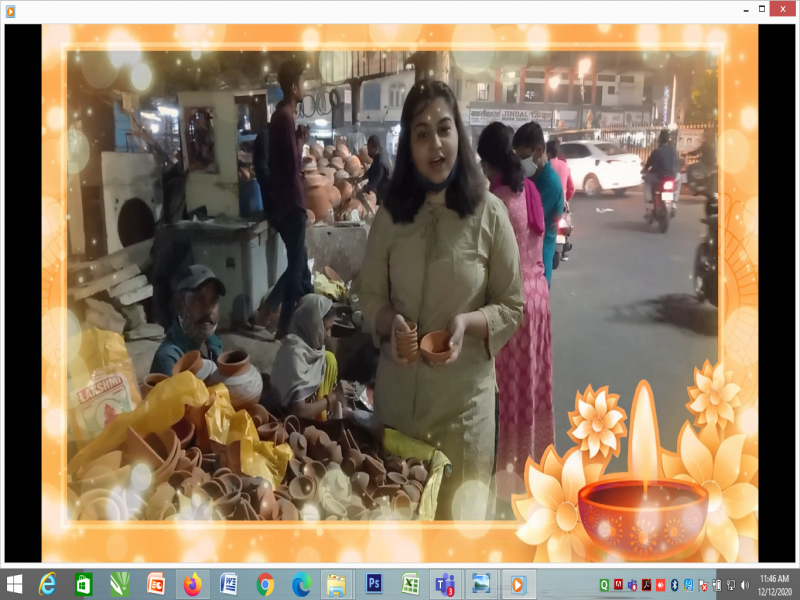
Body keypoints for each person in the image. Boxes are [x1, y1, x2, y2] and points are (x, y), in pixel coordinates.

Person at [353, 80, 524, 520]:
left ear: (459, 135)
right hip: (399, 411)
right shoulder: (390, 217)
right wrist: (388, 321)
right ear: (408, 146)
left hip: (463, 414)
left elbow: (511, 305)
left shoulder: (489, 214)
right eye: (422, 133)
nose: (435, 144)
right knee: (401, 529)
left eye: (444, 129)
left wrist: (468, 323)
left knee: (457, 535)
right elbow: (368, 293)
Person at [477, 123, 554, 501]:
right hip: (539, 300)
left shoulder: (496, 202)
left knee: (508, 393)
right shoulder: (530, 191)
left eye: (483, 161)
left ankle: (508, 480)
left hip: (514, 306)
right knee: (533, 388)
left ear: (490, 161)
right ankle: (534, 468)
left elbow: (486, 265)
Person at [261, 59, 314, 339]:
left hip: (288, 201)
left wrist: (298, 139)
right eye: (303, 82)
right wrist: (301, 142)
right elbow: (292, 166)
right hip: (291, 203)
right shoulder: (283, 117)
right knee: (296, 266)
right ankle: (283, 326)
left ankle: (285, 310)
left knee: (300, 262)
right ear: (294, 87)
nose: (305, 87)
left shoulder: (283, 118)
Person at [270, 294, 344, 421]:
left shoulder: (315, 350)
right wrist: (333, 397)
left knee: (329, 359)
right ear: (313, 324)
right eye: (326, 329)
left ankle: (323, 418)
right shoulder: (294, 354)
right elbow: (299, 411)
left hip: (310, 415)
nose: (328, 335)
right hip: (290, 421)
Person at [513, 122, 565, 286]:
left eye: (523, 157)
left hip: (538, 269)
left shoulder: (550, 183)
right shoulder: (532, 177)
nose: (521, 163)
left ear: (539, 151)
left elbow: (525, 218)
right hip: (526, 265)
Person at [150, 265, 225, 375]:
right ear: (178, 305)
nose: (209, 310)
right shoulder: (169, 358)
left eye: (213, 301)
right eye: (199, 300)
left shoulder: (213, 342)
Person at [642, 129, 680, 204]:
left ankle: (649, 198)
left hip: (660, 177)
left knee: (646, 178)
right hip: (673, 176)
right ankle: (675, 198)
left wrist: (644, 170)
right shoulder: (673, 150)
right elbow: (677, 162)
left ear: (659, 139)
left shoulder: (656, 151)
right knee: (680, 177)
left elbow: (648, 164)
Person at [359, 135, 392, 206]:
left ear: (377, 149)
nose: (368, 152)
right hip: (380, 189)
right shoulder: (377, 158)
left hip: (385, 190)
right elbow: (372, 169)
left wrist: (365, 188)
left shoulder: (381, 162)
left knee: (382, 205)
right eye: (368, 149)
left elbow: (376, 179)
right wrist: (363, 177)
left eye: (370, 150)